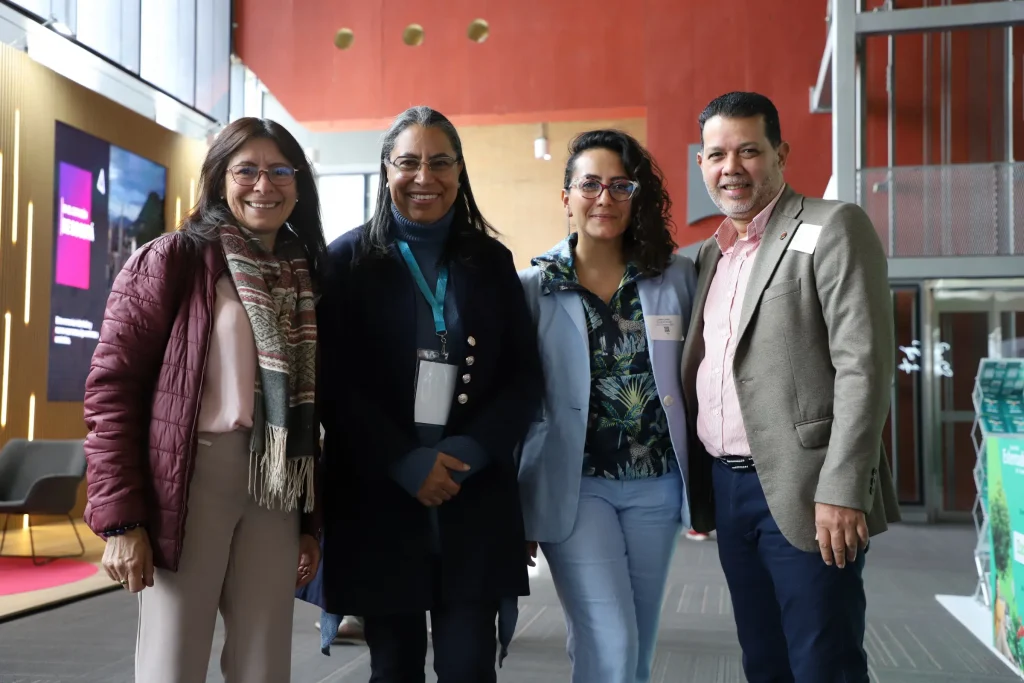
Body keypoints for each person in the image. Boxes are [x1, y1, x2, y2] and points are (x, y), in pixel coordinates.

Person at [83, 117, 328, 683]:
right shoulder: (173, 258)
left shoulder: (303, 276)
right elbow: (112, 390)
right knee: (172, 664)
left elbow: (308, 408)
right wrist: (122, 523)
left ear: (298, 183)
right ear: (219, 179)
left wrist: (309, 521)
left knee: (264, 668)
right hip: (188, 477)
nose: (264, 185)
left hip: (274, 481)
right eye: (246, 170)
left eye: (280, 171)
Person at [680, 91, 900, 683]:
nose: (731, 168)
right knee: (763, 659)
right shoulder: (707, 258)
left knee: (823, 661)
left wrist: (844, 488)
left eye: (749, 151)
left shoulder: (832, 227)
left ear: (780, 154)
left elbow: (863, 367)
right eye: (717, 155)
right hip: (728, 488)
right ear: (701, 164)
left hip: (809, 489)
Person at [318, 106, 543, 683]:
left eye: (440, 162)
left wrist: (469, 453)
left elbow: (523, 377)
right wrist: (404, 460)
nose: (425, 177)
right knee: (393, 667)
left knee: (469, 667)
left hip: (474, 497)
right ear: (386, 169)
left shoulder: (490, 261)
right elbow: (332, 384)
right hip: (380, 497)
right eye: (409, 162)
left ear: (459, 170)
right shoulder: (346, 262)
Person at [518, 129, 696, 683]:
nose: (605, 198)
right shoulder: (534, 287)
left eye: (621, 186)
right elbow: (517, 398)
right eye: (590, 184)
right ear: (566, 197)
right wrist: (514, 502)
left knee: (634, 643)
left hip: (657, 484)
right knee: (611, 636)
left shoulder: (674, 277)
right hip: (575, 485)